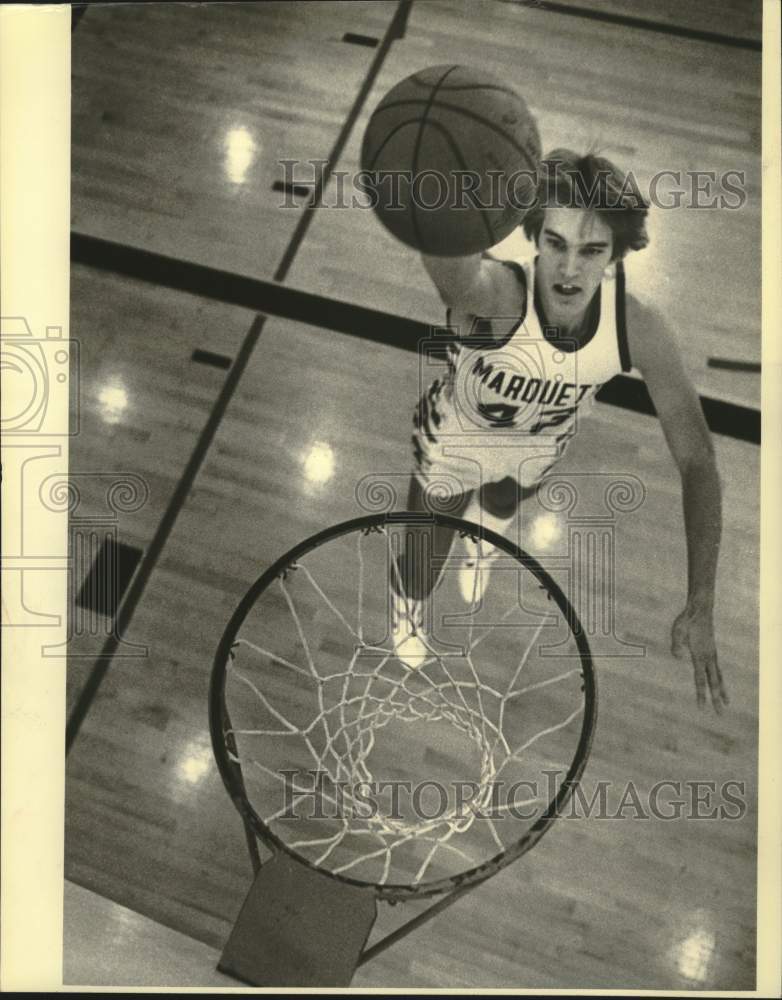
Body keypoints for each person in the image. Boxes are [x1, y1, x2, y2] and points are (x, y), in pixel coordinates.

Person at [390, 149, 728, 715]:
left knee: (501, 503)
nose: (570, 269)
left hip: (536, 450)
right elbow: (447, 266)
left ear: (616, 255)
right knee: (420, 568)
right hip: (452, 447)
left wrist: (702, 597)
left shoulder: (637, 328)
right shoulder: (497, 295)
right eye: (556, 244)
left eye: (592, 250)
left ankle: (483, 544)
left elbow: (698, 460)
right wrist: (446, 182)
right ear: (535, 237)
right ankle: (410, 611)